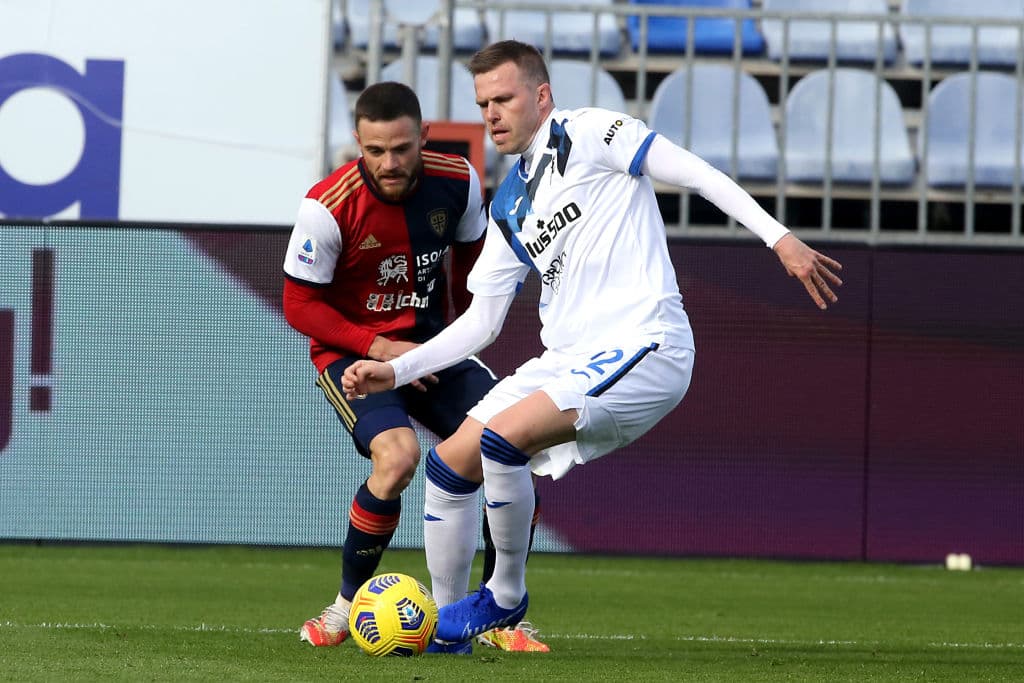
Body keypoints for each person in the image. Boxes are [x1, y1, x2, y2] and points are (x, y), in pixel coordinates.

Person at [342, 40, 843, 647]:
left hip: (646, 342)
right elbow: (482, 324)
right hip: (568, 360)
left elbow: (695, 171)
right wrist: (394, 373)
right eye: (483, 104)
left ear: (542, 95)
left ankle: (504, 595)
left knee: (503, 441)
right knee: (450, 462)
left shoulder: (592, 132)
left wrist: (779, 239)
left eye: (503, 98)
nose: (492, 114)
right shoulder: (510, 203)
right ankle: (452, 630)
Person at [282, 80, 548, 653]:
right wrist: (380, 349)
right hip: (354, 355)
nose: (389, 162)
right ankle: (347, 605)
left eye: (401, 148)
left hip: (432, 352)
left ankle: (499, 612)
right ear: (357, 141)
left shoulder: (458, 180)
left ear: (423, 136)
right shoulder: (326, 207)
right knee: (398, 457)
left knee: (514, 443)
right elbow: (299, 304)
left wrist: (443, 346)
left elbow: (475, 279)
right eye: (375, 151)